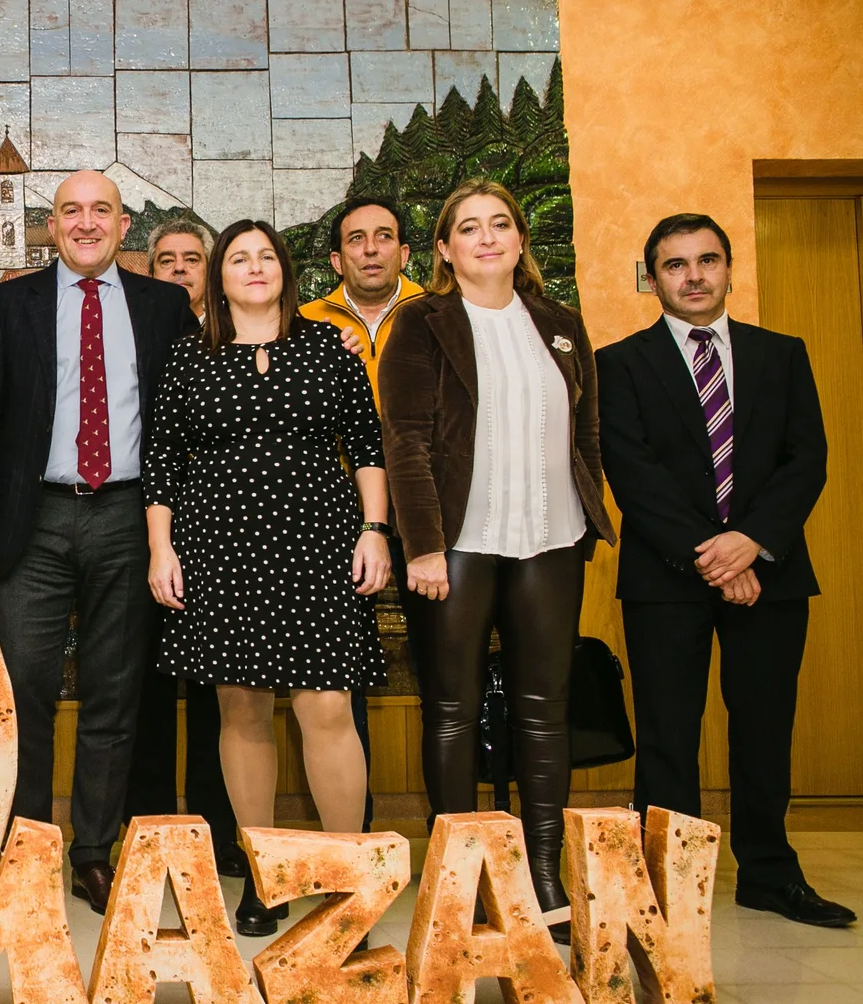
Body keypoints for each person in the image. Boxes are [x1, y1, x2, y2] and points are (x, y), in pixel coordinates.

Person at [599, 213, 851, 928]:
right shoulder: (619, 362)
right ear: (653, 278)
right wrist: (714, 553)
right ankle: (669, 882)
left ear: (729, 267)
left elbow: (808, 459)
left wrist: (751, 542)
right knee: (669, 733)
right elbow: (633, 472)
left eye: (707, 259)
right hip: (666, 577)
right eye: (675, 264)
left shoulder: (782, 354)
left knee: (766, 725)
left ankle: (769, 872)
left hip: (771, 573)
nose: (694, 276)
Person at [378, 178, 614, 937]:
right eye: (468, 228)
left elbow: (587, 435)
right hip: (457, 545)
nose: (487, 237)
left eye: (500, 225)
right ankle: (462, 874)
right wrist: (422, 546)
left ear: (519, 241)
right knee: (452, 708)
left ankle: (542, 873)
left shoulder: (561, 322)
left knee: (545, 710)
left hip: (552, 537)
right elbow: (405, 443)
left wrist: (588, 516)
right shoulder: (423, 323)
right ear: (444, 248)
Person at [0, 170, 195, 914]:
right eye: (70, 211)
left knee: (113, 693)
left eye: (101, 210)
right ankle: (26, 847)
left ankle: (93, 849)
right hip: (36, 519)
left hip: (130, 518)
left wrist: (178, 531)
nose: (85, 222)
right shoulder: (9, 305)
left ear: (125, 226)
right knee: (20, 689)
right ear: (51, 226)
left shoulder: (165, 306)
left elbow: (185, 425)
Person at [145, 219, 390, 936]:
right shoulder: (188, 358)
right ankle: (264, 873)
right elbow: (162, 462)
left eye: (266, 257)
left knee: (327, 711)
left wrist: (374, 530)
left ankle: (349, 886)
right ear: (219, 278)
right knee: (243, 713)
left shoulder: (327, 346)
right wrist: (163, 550)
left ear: (286, 270)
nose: (254, 267)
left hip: (319, 547)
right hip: (219, 550)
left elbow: (367, 444)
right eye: (239, 258)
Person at [300, 196, 436, 815]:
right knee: (339, 673)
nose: (371, 249)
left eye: (384, 237)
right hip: (335, 517)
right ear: (337, 257)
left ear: (405, 253)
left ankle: (451, 829)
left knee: (441, 669)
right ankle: (355, 831)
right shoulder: (304, 324)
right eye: (357, 240)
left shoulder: (439, 316)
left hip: (433, 510)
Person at [125, 218, 246, 875]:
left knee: (217, 690)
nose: (178, 269)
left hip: (225, 532)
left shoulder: (246, 336)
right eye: (164, 259)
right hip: (147, 527)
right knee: (143, 684)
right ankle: (148, 830)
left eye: (191, 258)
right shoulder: (139, 333)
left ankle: (217, 829)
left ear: (213, 267)